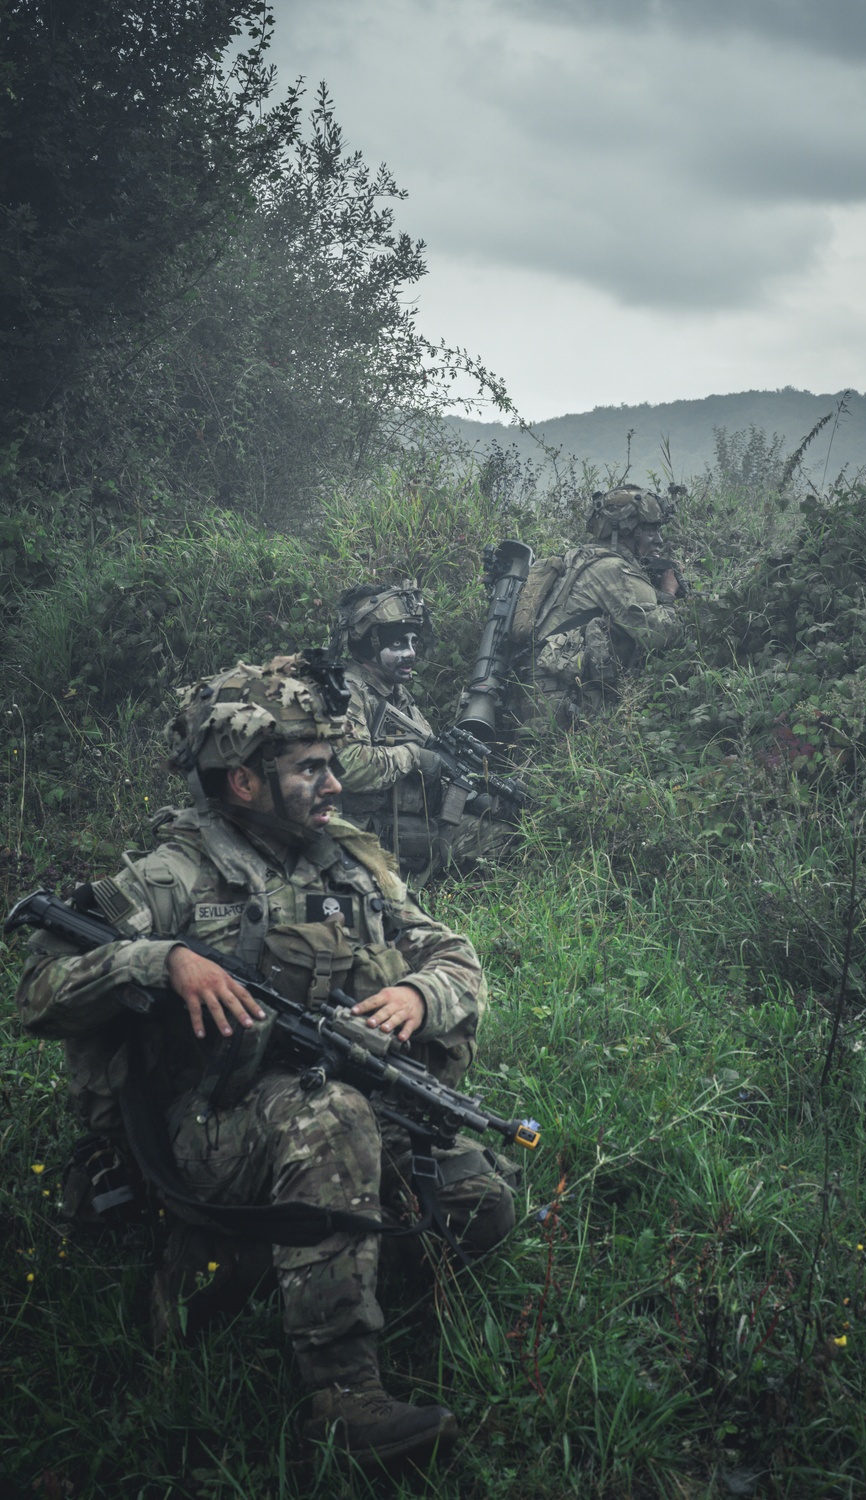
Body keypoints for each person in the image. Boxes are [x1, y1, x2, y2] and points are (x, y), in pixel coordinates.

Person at [14, 655, 515, 1466]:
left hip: (337, 1086)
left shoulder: (344, 862)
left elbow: (454, 954)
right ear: (243, 782)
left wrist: (420, 996)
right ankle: (343, 1398)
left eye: (330, 764)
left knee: (480, 1205)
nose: (333, 785)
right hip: (210, 1121)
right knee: (333, 1123)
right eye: (309, 768)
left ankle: (270, 1260)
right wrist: (158, 961)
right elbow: (37, 990)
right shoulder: (172, 877)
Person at [335, 581, 513, 883]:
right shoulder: (345, 692)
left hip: (406, 829)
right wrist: (414, 756)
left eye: (414, 642)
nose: (410, 653)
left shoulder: (398, 696)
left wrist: (479, 797)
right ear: (370, 646)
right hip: (360, 838)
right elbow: (349, 765)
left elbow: (434, 764)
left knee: (503, 835)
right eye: (398, 644)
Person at [508, 485, 686, 733]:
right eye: (650, 531)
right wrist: (668, 594)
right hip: (561, 700)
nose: (659, 539)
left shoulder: (581, 558)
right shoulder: (614, 569)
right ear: (626, 532)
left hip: (540, 692)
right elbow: (657, 634)